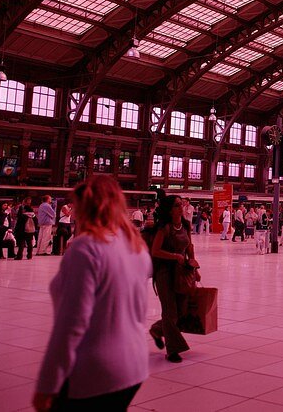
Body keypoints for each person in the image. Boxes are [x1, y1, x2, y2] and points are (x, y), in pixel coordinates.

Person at [33, 175, 152, 412]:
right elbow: (139, 311)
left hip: (97, 369)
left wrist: (47, 384)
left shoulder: (85, 248)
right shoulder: (136, 246)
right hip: (135, 365)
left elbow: (71, 324)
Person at [149, 195, 198, 363]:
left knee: (182, 310)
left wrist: (194, 266)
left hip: (182, 271)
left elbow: (190, 246)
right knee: (170, 310)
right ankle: (172, 350)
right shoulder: (165, 228)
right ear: (169, 209)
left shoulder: (185, 225)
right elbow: (155, 251)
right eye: (177, 205)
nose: (181, 207)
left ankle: (157, 329)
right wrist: (174, 256)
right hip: (165, 273)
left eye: (181, 204)